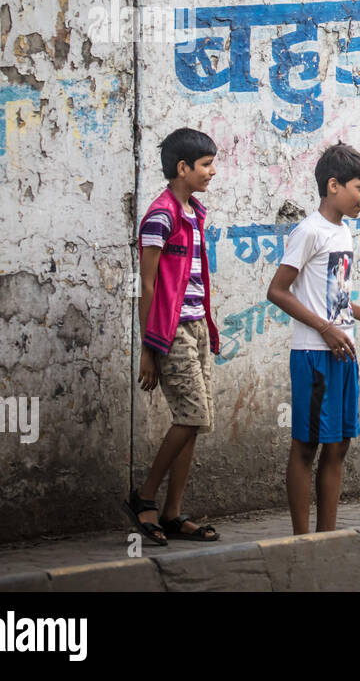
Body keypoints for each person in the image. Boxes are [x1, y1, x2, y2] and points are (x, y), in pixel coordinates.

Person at [266, 142, 360, 534]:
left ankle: (328, 536)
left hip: (343, 351)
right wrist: (324, 328)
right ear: (334, 185)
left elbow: (335, 297)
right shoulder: (308, 231)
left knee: (339, 444)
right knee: (307, 445)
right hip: (313, 354)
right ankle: (302, 539)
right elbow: (277, 291)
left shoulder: (344, 233)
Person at [122, 128, 223, 545]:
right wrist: (149, 348)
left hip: (197, 326)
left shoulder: (194, 212)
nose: (212, 172)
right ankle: (143, 496)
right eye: (205, 165)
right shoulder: (161, 216)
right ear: (182, 168)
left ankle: (172, 513)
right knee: (193, 415)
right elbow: (146, 286)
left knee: (195, 420)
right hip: (171, 331)